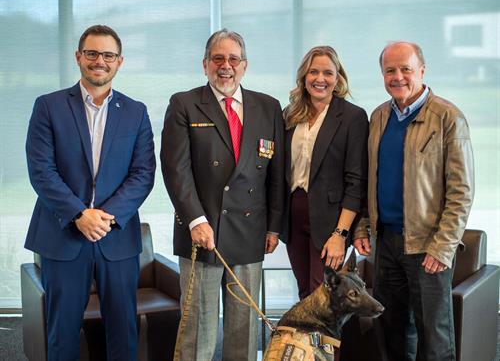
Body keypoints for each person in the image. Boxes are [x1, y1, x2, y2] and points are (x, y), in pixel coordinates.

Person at [25, 25, 155, 361]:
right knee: (62, 333)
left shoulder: (136, 112)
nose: (100, 61)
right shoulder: (48, 106)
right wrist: (80, 215)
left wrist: (104, 218)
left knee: (124, 331)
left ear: (119, 61)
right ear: (79, 57)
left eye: (108, 55)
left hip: (117, 239)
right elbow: (41, 171)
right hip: (63, 235)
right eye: (92, 53)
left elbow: (143, 174)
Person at [161, 28, 284, 361]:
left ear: (244, 66)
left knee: (243, 335)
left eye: (233, 59)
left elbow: (277, 174)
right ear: (205, 65)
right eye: (218, 58)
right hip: (202, 232)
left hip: (250, 232)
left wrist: (273, 226)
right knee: (197, 331)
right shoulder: (184, 104)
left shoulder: (269, 107)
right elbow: (176, 171)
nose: (225, 66)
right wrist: (196, 220)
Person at [353, 41, 474, 361]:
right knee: (391, 332)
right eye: (389, 70)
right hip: (386, 244)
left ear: (421, 70)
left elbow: (461, 192)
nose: (398, 76)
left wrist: (443, 247)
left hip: (428, 246)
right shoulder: (379, 116)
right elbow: (372, 181)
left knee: (434, 336)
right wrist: (364, 226)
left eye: (405, 69)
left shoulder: (448, 117)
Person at [282, 45, 368, 299]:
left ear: (338, 78)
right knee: (305, 295)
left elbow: (356, 181)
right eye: (314, 72)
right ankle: (308, 341)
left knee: (323, 296)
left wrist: (341, 234)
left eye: (328, 73)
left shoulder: (353, 117)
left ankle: (326, 341)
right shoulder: (290, 114)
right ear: (303, 77)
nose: (320, 79)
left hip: (331, 221)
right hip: (294, 217)